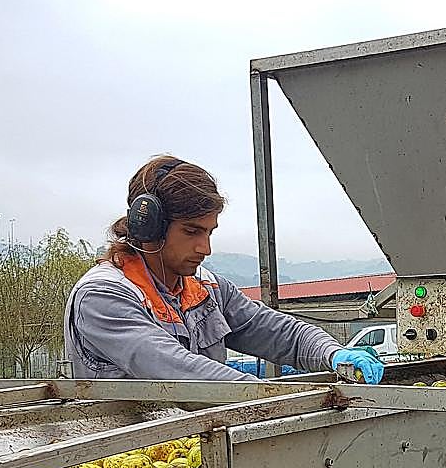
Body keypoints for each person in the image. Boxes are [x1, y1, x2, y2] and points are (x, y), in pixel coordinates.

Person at [63, 155, 384, 383]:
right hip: (126, 464)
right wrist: (266, 398)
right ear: (149, 226)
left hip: (201, 445)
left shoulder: (206, 289)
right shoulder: (103, 296)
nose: (205, 248)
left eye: (209, 232)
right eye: (192, 232)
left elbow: (280, 332)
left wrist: (333, 354)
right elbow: (177, 370)